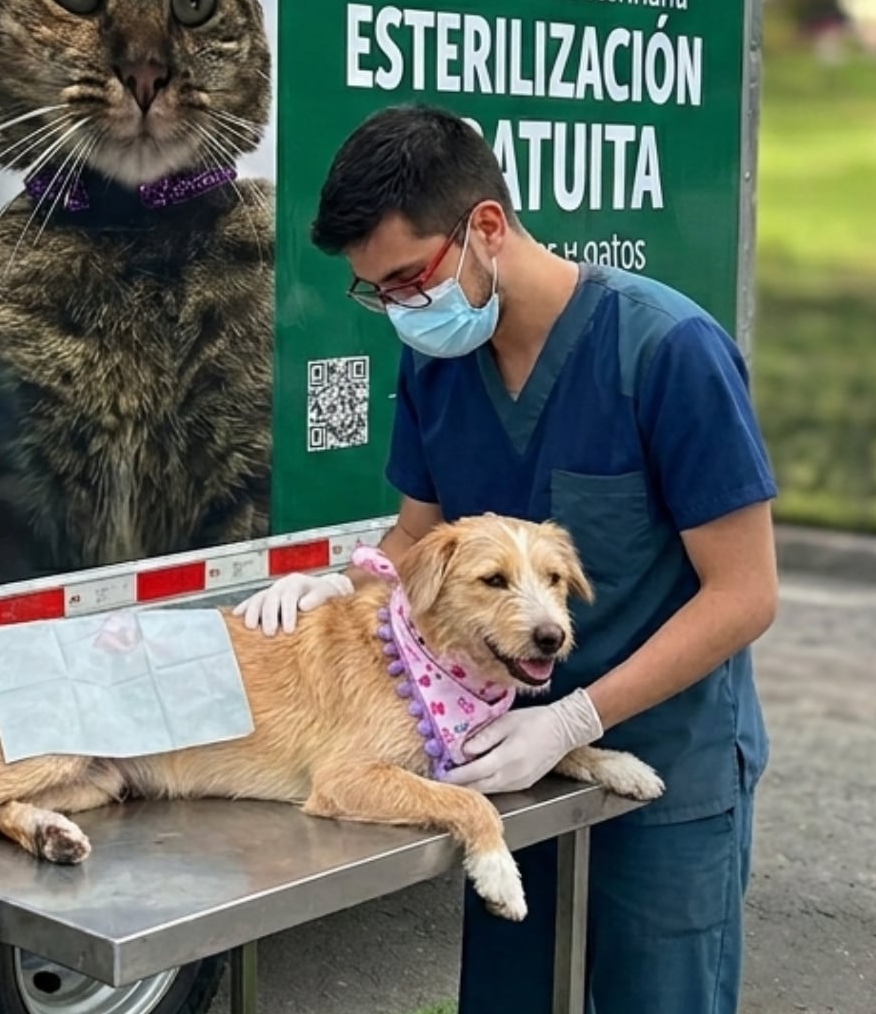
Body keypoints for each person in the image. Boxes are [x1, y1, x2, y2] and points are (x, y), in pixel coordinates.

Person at [235, 103, 780, 1014]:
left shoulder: (666, 352)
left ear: (486, 227)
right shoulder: (441, 363)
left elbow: (745, 594)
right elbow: (417, 537)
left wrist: (573, 721)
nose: (401, 309)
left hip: (659, 758)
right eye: (379, 293)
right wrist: (339, 583)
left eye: (409, 279)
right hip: (495, 747)